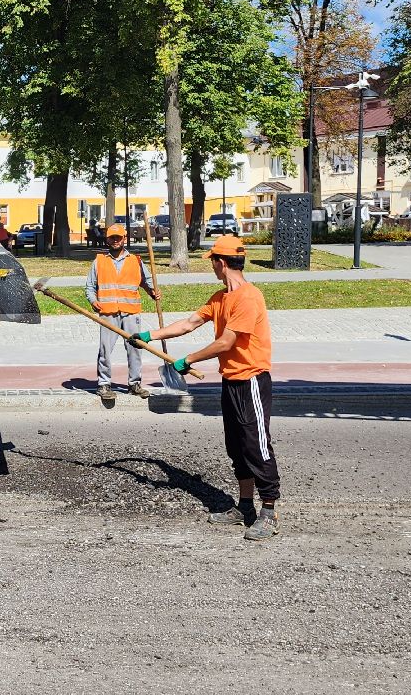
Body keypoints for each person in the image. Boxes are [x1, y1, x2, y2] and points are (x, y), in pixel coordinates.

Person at [132, 234, 280, 541]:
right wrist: (148, 335)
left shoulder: (249, 298)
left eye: (213, 261)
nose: (211, 266)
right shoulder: (219, 297)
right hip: (231, 381)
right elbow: (188, 324)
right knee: (236, 447)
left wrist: (187, 360)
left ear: (222, 264)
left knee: (256, 445)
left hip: (251, 380)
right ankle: (243, 507)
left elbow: (227, 341)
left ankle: (268, 511)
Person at [86, 222, 161, 401]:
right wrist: (93, 300)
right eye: (112, 237)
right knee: (105, 349)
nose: (115, 240)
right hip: (108, 312)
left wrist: (153, 291)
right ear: (107, 239)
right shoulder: (99, 261)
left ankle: (134, 384)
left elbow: (146, 280)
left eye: (118, 237)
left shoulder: (136, 260)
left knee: (135, 348)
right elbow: (90, 287)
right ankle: (104, 385)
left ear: (124, 238)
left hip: (130, 312)